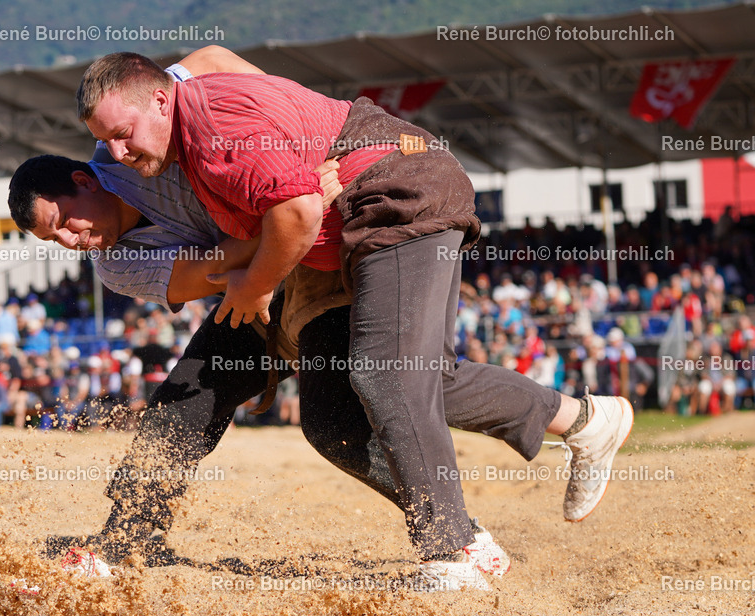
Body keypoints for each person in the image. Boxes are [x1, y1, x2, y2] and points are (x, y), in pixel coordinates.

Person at [72, 50, 635, 586]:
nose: (72, 239)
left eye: (123, 135)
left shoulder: (212, 124)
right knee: (318, 412)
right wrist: (276, 231)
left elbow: (288, 197)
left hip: (375, 201)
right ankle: (127, 539)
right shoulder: (118, 253)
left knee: (388, 378)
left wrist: (300, 153)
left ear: (163, 101)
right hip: (295, 252)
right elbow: (223, 262)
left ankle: (455, 547)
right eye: (53, 239)